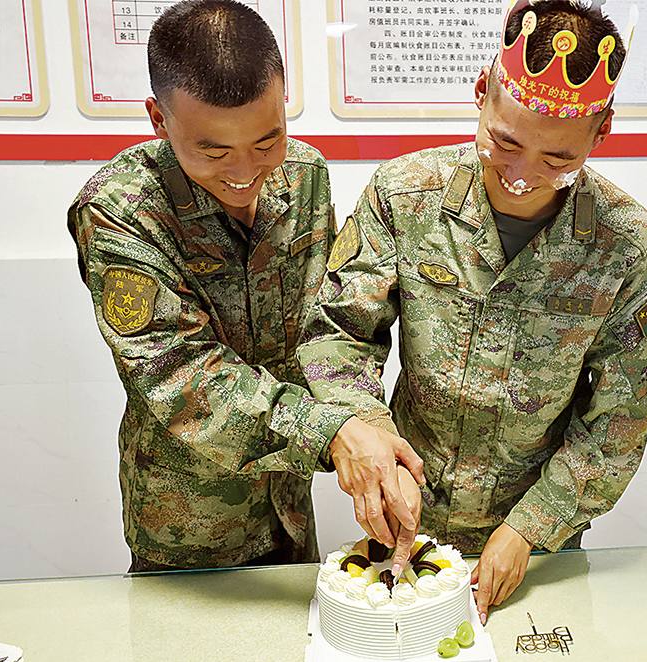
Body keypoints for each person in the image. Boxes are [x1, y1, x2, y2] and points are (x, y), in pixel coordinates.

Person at [299, 0, 647, 623]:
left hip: (537, 535)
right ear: (481, 92)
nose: (522, 175)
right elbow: (339, 334)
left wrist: (530, 528)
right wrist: (372, 439)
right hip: (407, 507)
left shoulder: (624, 244)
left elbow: (618, 419)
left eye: (558, 160)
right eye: (505, 142)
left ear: (601, 132)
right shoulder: (405, 196)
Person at [67, 0, 422, 572]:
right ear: (159, 119)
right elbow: (182, 378)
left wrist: (369, 428)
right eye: (212, 150)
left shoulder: (303, 175)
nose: (244, 171)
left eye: (265, 142)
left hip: (289, 500)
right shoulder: (120, 211)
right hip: (190, 520)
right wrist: (334, 434)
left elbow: (325, 325)